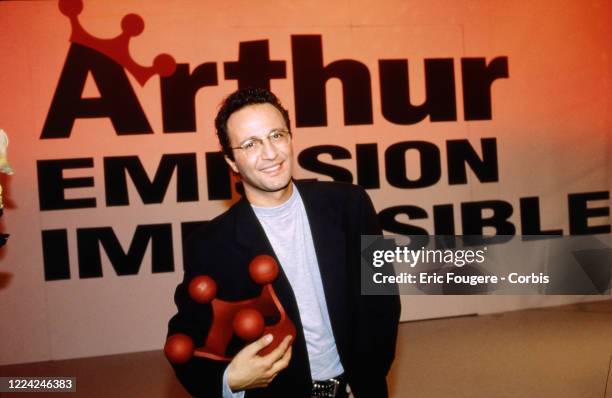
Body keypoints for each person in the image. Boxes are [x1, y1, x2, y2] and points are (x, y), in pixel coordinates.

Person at [167, 87, 400, 398]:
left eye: (276, 135)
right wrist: (229, 381)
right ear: (232, 161)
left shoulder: (351, 204)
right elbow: (187, 340)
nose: (270, 154)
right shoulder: (210, 244)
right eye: (250, 144)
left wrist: (368, 377)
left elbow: (382, 300)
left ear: (290, 138)